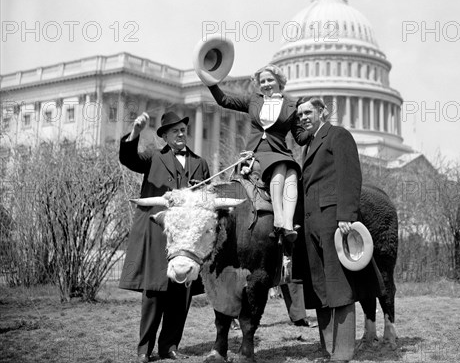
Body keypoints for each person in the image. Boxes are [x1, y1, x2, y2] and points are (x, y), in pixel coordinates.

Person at [296, 96, 383, 362]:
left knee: (340, 285)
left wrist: (347, 215)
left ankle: (343, 352)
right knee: (319, 287)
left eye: (308, 112)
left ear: (322, 111)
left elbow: (350, 174)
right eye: (299, 115)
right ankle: (328, 347)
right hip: (312, 222)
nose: (303, 118)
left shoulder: (338, 135)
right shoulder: (309, 144)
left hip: (334, 220)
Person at [119, 111, 211, 362]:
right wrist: (135, 133)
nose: (181, 134)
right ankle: (143, 350)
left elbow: (205, 199)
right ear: (165, 136)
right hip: (158, 234)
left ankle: (170, 346)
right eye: (175, 131)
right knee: (154, 293)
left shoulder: (200, 163)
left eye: (183, 130)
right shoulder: (152, 157)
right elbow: (128, 159)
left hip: (187, 241)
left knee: (181, 294)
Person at [208, 64, 308, 241]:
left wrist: (316, 127)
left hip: (279, 150)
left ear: (279, 81)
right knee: (281, 166)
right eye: (262, 81)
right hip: (256, 152)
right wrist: (210, 83)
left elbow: (300, 137)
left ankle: (289, 224)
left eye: (270, 80)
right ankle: (279, 218)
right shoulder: (253, 100)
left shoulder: (291, 105)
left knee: (292, 172)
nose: (266, 84)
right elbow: (224, 101)